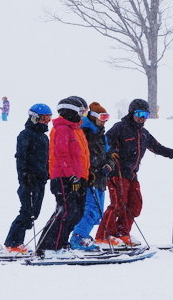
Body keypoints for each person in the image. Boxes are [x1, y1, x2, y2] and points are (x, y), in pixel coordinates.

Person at [95, 98, 173, 247]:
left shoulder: (144, 133)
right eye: (139, 113)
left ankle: (122, 234)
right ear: (132, 113)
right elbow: (105, 142)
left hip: (132, 175)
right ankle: (103, 237)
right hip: (117, 172)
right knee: (117, 205)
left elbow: (158, 148)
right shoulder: (120, 127)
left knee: (135, 205)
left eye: (145, 115)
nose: (142, 118)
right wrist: (112, 154)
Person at [36, 96, 91, 255]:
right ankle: (51, 247)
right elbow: (62, 155)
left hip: (78, 178)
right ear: (70, 111)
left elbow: (83, 157)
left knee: (76, 213)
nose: (82, 115)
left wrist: (86, 175)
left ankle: (61, 243)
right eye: (81, 112)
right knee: (66, 212)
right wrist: (71, 175)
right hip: (63, 178)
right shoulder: (62, 129)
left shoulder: (77, 129)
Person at [3, 104, 53, 254]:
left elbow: (46, 158)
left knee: (34, 213)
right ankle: (13, 243)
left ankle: (17, 242)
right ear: (34, 117)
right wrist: (24, 175)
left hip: (40, 180)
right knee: (27, 212)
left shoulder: (44, 137)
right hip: (28, 180)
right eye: (44, 118)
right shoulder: (25, 135)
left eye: (49, 118)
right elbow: (21, 158)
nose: (47, 121)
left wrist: (48, 172)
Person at [70, 102, 116, 251]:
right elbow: (80, 155)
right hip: (90, 178)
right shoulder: (84, 132)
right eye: (103, 117)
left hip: (101, 179)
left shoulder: (101, 135)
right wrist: (91, 169)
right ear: (94, 116)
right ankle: (78, 237)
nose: (105, 120)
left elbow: (110, 154)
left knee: (97, 212)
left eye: (107, 117)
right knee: (91, 210)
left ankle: (82, 235)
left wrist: (109, 164)